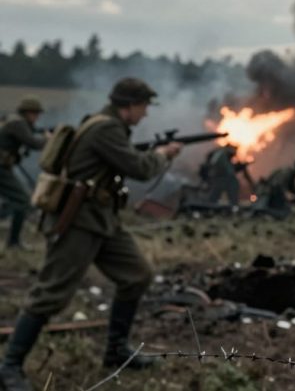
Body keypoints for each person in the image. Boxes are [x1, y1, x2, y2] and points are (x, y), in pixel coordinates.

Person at [0, 78, 182, 391]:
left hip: (102, 219)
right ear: (128, 105)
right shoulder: (106, 129)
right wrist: (164, 154)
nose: (146, 114)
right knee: (50, 292)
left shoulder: (108, 126)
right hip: (78, 221)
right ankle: (9, 366)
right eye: (144, 106)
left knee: (137, 275)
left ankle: (115, 351)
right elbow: (139, 168)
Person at [0, 97, 49, 250]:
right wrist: (48, 140)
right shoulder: (18, 124)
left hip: (3, 168)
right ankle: (13, 243)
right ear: (28, 113)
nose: (37, 118)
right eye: (35, 114)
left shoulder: (13, 120)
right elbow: (33, 143)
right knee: (22, 201)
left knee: (14, 201)